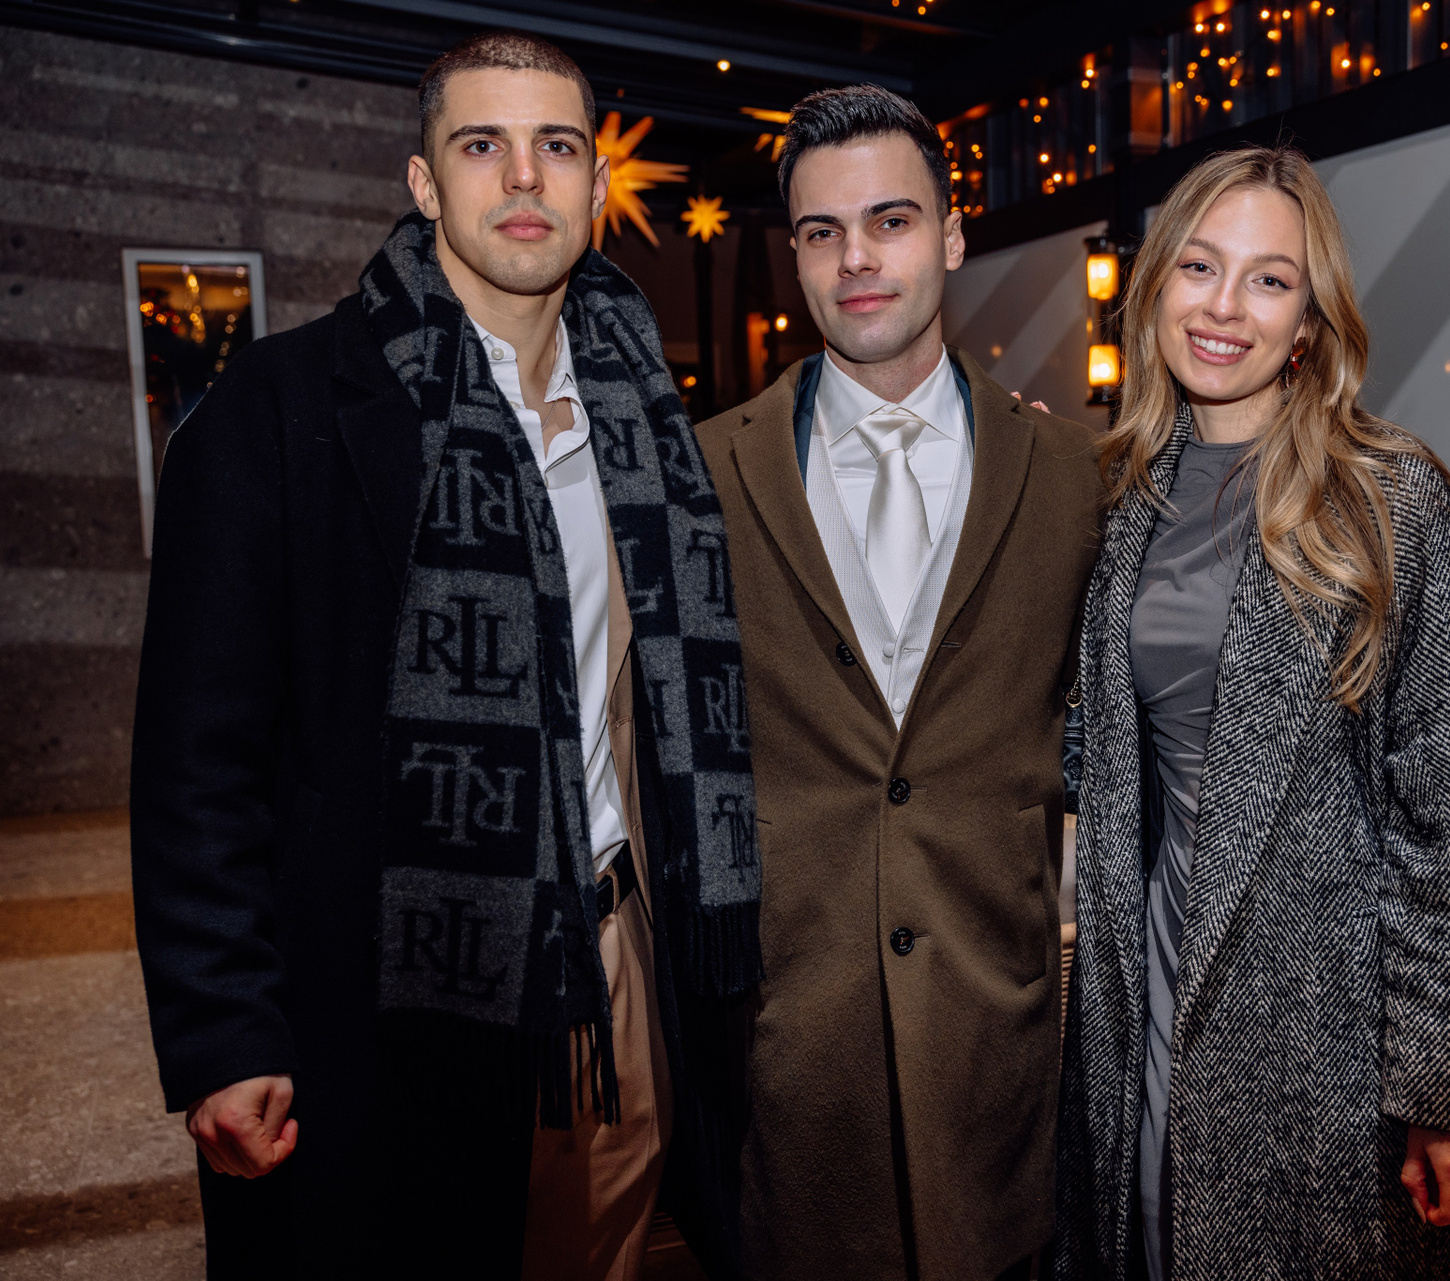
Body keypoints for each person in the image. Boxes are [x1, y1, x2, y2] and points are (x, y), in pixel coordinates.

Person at [129, 32, 754, 1280]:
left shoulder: (649, 426)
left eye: (556, 146)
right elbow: (197, 760)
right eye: (482, 145)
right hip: (383, 992)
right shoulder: (278, 410)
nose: (524, 177)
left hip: (617, 971)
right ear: (425, 182)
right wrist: (223, 1030)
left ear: (595, 184)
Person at [1054, 145, 1450, 1281]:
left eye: (1268, 280)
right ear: (1155, 288)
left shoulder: (1385, 499)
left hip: (1326, 1021)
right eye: (1199, 267)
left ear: (1310, 323)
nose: (1224, 307)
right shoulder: (1123, 496)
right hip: (1152, 978)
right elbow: (1095, 751)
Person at [692, 86, 1103, 1280]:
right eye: (821, 232)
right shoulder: (701, 472)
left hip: (997, 1043)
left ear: (953, 236)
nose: (857, 260)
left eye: (891, 221)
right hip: (792, 1055)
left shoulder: (1075, 474)